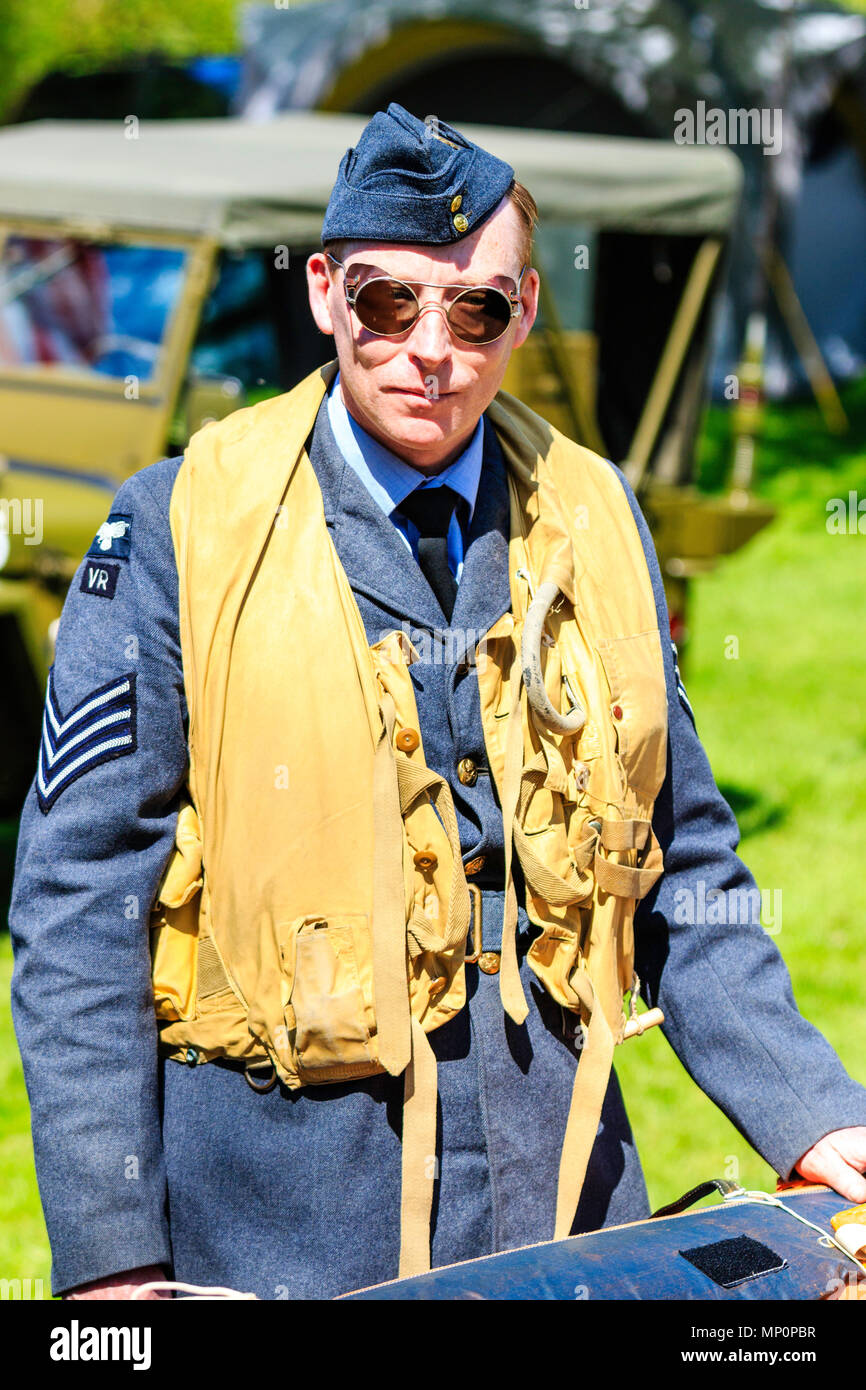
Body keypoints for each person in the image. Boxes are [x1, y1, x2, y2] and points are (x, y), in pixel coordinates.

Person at [10, 103, 866, 1302]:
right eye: (386, 302)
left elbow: (685, 863)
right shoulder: (175, 528)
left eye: (475, 309)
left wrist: (814, 1109)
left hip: (566, 1205)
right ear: (322, 293)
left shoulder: (595, 517)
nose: (430, 347)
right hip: (284, 1232)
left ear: (520, 315)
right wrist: (113, 1260)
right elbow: (78, 905)